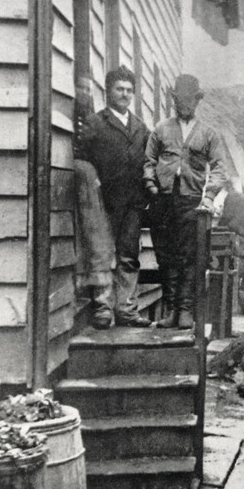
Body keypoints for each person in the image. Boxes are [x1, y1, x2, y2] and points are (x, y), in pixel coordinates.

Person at [144, 74, 227, 329]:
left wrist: (210, 196)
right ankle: (171, 311)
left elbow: (219, 168)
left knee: (189, 256)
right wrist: (151, 185)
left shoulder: (208, 134)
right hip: (163, 200)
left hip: (191, 201)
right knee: (166, 255)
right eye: (181, 99)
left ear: (197, 101)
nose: (185, 104)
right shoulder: (161, 129)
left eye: (190, 100)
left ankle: (186, 311)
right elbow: (149, 161)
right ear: (174, 100)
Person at [76, 66, 151, 329]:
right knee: (103, 254)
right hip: (103, 202)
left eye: (129, 90)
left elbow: (148, 163)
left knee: (129, 256)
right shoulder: (96, 123)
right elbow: (81, 160)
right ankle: (103, 308)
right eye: (119, 89)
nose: (125, 94)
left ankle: (126, 309)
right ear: (108, 91)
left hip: (132, 203)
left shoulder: (141, 128)